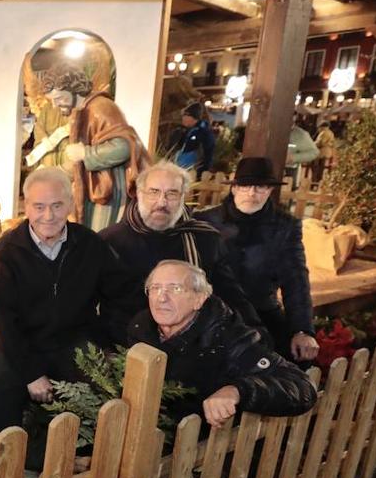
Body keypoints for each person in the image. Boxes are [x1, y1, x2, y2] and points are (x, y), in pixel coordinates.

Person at [0, 167, 125, 478]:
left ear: (70, 204)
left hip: (71, 342)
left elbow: (116, 297)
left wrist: (104, 344)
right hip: (16, 344)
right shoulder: (9, 249)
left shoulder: (90, 245)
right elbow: (2, 319)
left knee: (100, 395)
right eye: (39, 206)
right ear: (25, 207)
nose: (48, 215)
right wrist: (31, 373)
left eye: (57, 205)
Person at [128, 260, 317, 429]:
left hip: (206, 451)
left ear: (199, 299)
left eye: (175, 289)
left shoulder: (228, 336)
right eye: (155, 288)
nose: (161, 298)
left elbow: (302, 387)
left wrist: (238, 390)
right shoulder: (141, 327)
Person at [100, 160, 264, 346]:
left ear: (182, 197)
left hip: (194, 342)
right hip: (124, 342)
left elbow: (230, 294)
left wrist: (256, 330)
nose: (162, 202)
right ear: (138, 194)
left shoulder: (205, 239)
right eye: (154, 192)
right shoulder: (108, 241)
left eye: (172, 194)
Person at [196, 157, 319, 363]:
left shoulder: (285, 227)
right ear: (234, 189)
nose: (252, 193)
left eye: (260, 187)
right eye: (245, 186)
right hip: (213, 314)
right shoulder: (205, 221)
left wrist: (302, 329)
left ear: (270, 190)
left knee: (290, 364)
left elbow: (296, 279)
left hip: (262, 313)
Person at [27, 87, 149, 230]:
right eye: (52, 100)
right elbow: (77, 162)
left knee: (101, 236)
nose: (55, 105)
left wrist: (86, 153)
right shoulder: (81, 111)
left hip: (108, 191)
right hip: (91, 187)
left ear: (73, 89)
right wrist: (57, 173)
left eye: (59, 98)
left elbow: (125, 146)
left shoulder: (101, 108)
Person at [172, 102, 216, 178]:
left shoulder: (204, 132)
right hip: (180, 168)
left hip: (193, 171)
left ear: (192, 117)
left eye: (185, 115)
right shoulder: (187, 131)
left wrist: (201, 171)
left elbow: (207, 153)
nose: (183, 118)